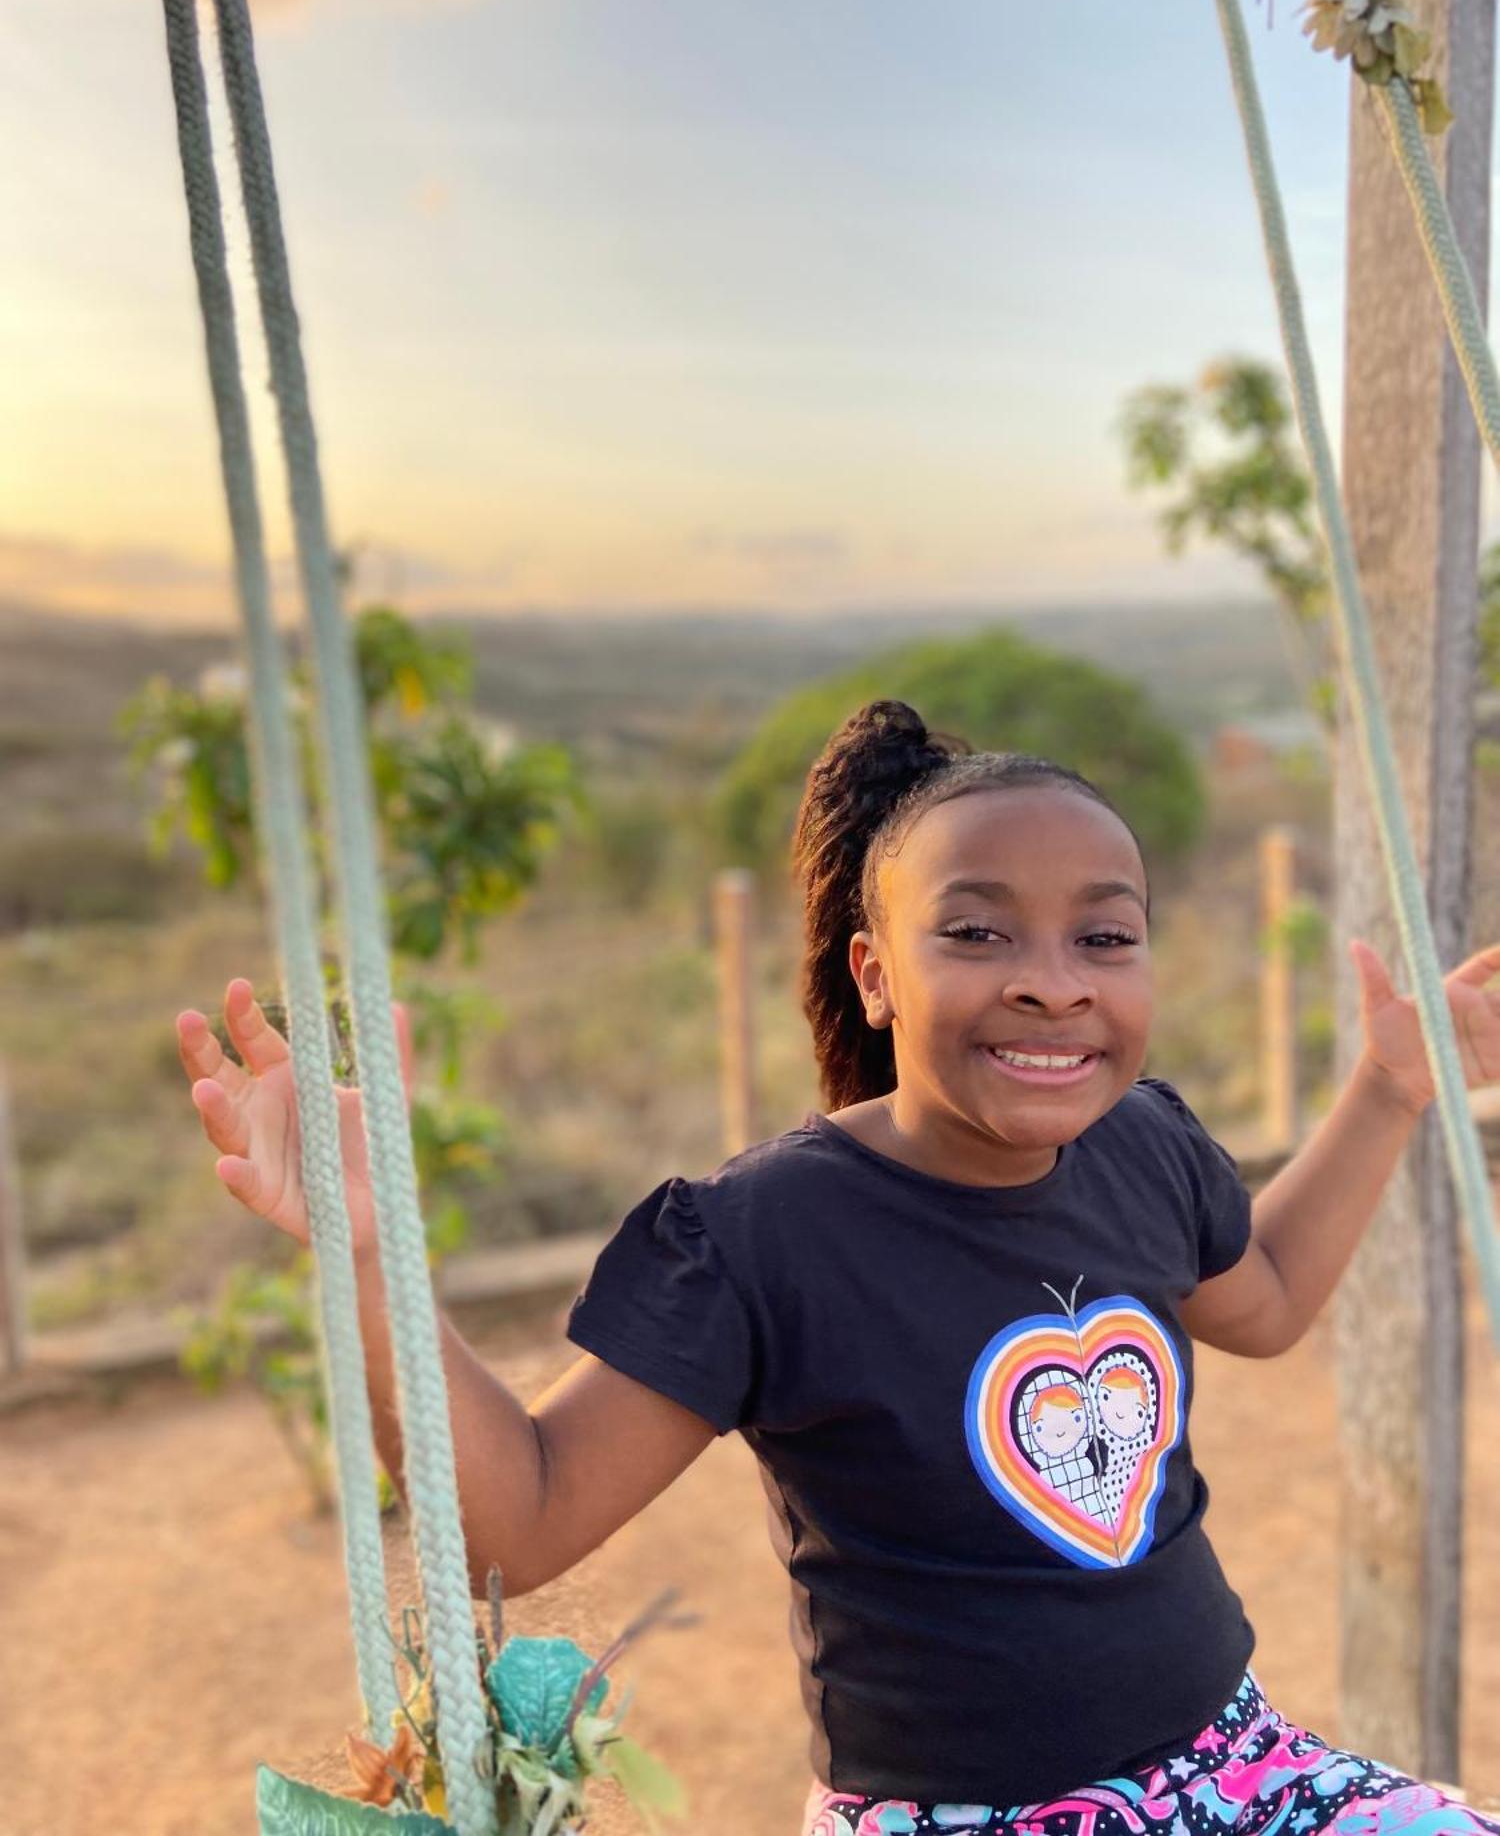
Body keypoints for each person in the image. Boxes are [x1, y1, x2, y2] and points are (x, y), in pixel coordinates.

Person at [177, 698, 1500, 1836]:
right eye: (978, 934)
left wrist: (1391, 1088)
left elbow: (1263, 1301)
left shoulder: (1145, 1146)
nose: (1056, 984)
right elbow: (522, 1519)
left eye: (1105, 936)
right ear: (875, 975)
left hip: (1236, 1765)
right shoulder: (768, 1235)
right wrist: (366, 1253)